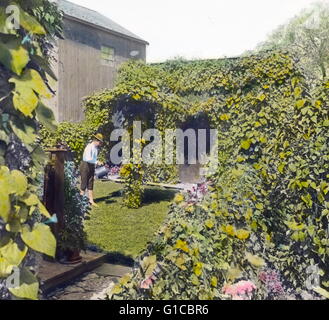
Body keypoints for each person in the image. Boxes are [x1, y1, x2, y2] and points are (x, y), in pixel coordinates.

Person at [80, 133, 104, 206]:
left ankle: (91, 200)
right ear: (95, 140)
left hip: (91, 165)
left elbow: (93, 159)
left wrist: (96, 162)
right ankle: (80, 202)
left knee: (90, 182)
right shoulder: (89, 147)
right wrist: (97, 162)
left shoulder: (95, 149)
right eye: (100, 142)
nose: (100, 144)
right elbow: (87, 158)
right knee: (84, 183)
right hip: (85, 165)